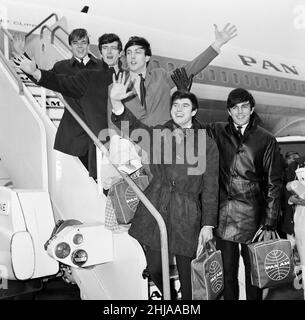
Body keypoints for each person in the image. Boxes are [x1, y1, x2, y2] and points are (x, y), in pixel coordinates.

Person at [13, 23, 236, 178]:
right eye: (129, 52)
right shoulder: (112, 83)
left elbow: (191, 68)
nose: (132, 56)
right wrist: (37, 73)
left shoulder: (161, 77)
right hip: (133, 155)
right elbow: (112, 120)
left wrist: (215, 46)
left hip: (162, 150)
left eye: (137, 52)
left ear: (147, 57)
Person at [109, 72, 219, 300]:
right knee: (155, 268)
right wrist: (117, 103)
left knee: (189, 275)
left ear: (194, 111)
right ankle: (170, 299)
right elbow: (133, 128)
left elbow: (210, 186)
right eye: (175, 105)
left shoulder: (206, 143)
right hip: (156, 204)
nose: (179, 109)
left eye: (185, 105)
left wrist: (208, 224)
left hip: (186, 211)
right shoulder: (160, 134)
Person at [203, 87, 283, 300]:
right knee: (227, 274)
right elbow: (190, 130)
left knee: (254, 274)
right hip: (224, 216)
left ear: (252, 108)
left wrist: (270, 222)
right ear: (228, 111)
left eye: (244, 107)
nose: (240, 112)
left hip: (254, 218)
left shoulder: (266, 139)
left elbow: (274, 184)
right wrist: (185, 95)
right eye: (235, 108)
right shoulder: (216, 131)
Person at [12, 29, 106, 172]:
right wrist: (22, 54)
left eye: (83, 42)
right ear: (70, 46)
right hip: (75, 132)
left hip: (100, 130)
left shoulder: (102, 66)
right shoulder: (61, 67)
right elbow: (44, 78)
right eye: (75, 43)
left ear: (88, 45)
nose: (80, 46)